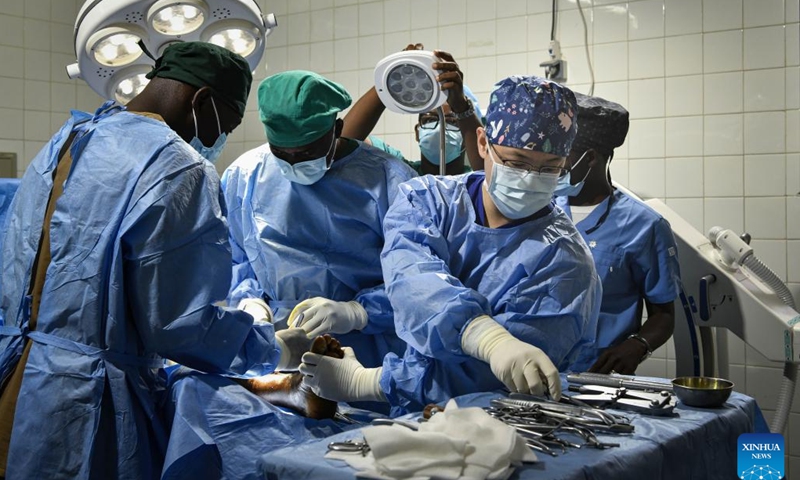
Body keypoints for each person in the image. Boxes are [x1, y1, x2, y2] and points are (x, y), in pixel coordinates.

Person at [0, 42, 313, 479]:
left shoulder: (68, 139)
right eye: (228, 122)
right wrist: (272, 345)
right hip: (85, 407)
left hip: (17, 378)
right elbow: (179, 325)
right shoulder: (177, 166)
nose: (219, 139)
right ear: (202, 101)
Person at [301, 75, 602, 415]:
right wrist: (362, 312)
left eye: (550, 169)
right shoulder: (427, 200)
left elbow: (491, 377)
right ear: (484, 143)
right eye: (516, 163)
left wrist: (371, 383)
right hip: (417, 414)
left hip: (499, 424)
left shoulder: (566, 262)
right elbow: (416, 283)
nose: (531, 179)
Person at [222, 70, 417, 375]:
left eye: (307, 151)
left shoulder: (390, 180)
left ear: (337, 128)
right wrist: (250, 303)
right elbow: (234, 255)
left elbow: (417, 275)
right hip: (275, 342)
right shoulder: (245, 175)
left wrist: (357, 312)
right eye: (281, 153)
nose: (294, 162)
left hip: (367, 349)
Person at [554, 93, 681, 374]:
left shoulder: (644, 226)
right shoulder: (542, 210)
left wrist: (637, 345)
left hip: (599, 375)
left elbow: (664, 315)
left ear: (590, 159)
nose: (552, 162)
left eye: (562, 153)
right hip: (536, 371)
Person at [343, 45, 484, 176]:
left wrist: (462, 107)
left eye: (452, 121)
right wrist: (388, 81)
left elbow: (488, 175)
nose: (439, 127)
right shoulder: (399, 173)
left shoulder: (477, 181)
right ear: (417, 132)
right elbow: (343, 142)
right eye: (429, 120)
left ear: (467, 137)